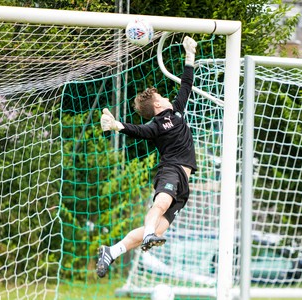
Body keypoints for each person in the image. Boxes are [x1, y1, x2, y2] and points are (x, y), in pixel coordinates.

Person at [96, 36, 198, 278]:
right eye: (161, 97)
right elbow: (139, 131)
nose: (165, 97)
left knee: (155, 230)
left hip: (184, 184)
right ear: (157, 105)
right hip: (171, 170)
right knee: (159, 205)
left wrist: (189, 55)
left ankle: (111, 251)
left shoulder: (176, 112)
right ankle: (149, 233)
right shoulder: (156, 124)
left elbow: (186, 84)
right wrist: (117, 126)